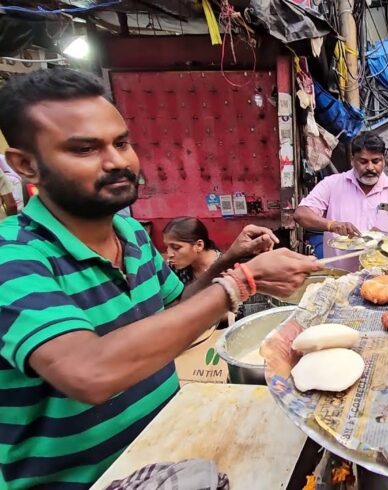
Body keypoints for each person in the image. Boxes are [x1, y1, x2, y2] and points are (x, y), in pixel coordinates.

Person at [0, 68, 322, 489]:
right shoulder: (14, 256)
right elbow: (87, 372)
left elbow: (177, 315)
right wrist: (242, 280)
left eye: (121, 142)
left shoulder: (131, 233)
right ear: (26, 166)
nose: (117, 161)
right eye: (84, 149)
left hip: (167, 454)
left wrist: (229, 259)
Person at [294, 131, 388, 270]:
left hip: (384, 277)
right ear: (353, 160)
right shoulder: (332, 184)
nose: (370, 167)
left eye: (376, 161)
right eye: (363, 161)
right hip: (339, 276)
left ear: (384, 160)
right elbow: (301, 215)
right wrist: (332, 225)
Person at [163, 217, 222, 285]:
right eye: (167, 247)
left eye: (176, 247)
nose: (169, 254)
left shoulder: (224, 270)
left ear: (199, 245)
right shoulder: (173, 268)